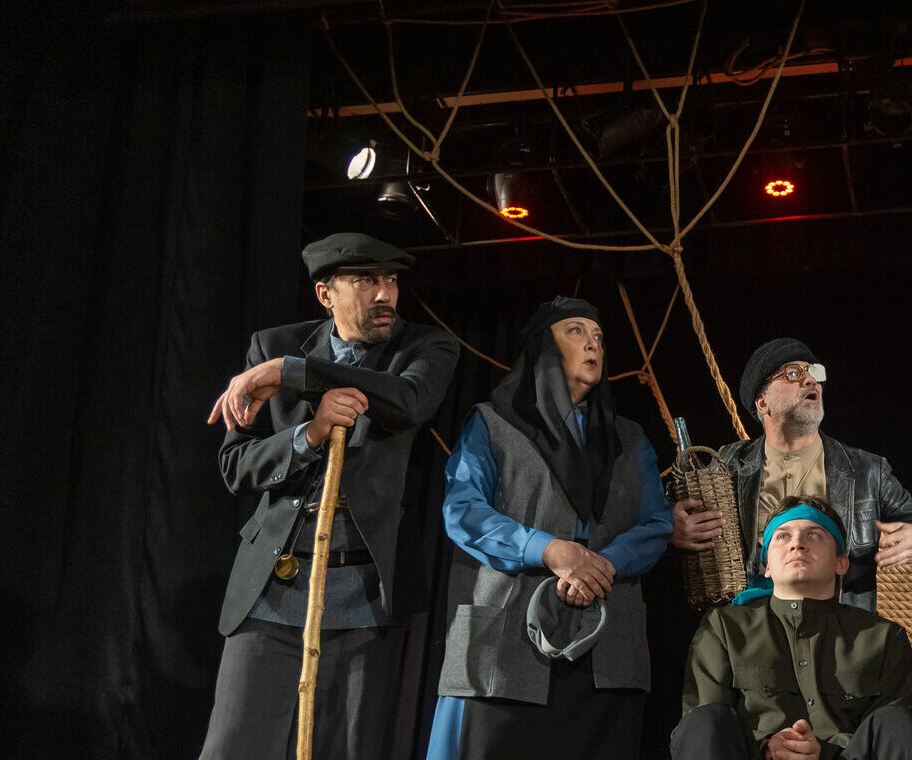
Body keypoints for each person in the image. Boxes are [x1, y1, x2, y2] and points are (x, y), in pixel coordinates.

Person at [200, 232, 459, 759]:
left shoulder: (425, 348)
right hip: (273, 588)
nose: (384, 294)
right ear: (326, 294)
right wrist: (309, 434)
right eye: (365, 281)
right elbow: (236, 466)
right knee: (235, 747)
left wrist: (293, 374)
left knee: (346, 749)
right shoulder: (272, 345)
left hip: (363, 596)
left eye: (390, 281)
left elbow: (408, 401)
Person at [427, 296, 673, 760]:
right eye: (576, 332)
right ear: (544, 346)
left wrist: (601, 566)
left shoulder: (629, 437)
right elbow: (464, 511)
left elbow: (657, 521)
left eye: (598, 336)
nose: (593, 345)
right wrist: (550, 550)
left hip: (606, 651)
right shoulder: (493, 423)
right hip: (505, 647)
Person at [670, 338, 912, 612]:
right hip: (754, 626)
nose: (811, 381)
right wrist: (674, 526)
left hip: (838, 629)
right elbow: (680, 511)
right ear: (762, 402)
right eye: (793, 374)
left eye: (814, 372)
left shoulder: (866, 470)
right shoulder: (729, 464)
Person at [674, 497, 912, 760]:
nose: (797, 543)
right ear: (767, 567)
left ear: (841, 563)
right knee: (704, 721)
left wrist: (824, 752)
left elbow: (892, 739)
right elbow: (704, 729)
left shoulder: (884, 637)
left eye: (814, 535)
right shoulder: (724, 627)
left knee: (902, 722)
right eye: (782, 536)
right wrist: (766, 747)